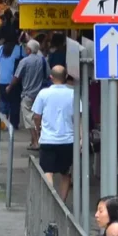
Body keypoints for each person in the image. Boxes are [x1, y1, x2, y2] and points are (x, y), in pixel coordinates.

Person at [33, 65, 76, 200]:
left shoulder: (43, 94)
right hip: (67, 140)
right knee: (65, 174)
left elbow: (36, 115)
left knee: (47, 172)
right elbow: (79, 116)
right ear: (66, 77)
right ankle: (61, 203)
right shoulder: (73, 93)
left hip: (47, 139)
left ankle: (50, 201)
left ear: (51, 77)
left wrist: (38, 129)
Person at [12, 40, 49, 150]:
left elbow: (17, 76)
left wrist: (9, 87)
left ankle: (36, 141)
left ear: (29, 49)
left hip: (28, 94)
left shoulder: (24, 61)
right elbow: (48, 74)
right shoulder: (43, 60)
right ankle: (34, 141)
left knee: (29, 119)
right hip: (40, 94)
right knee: (38, 118)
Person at [0, 36, 24, 126]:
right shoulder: (20, 49)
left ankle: (2, 124)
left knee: (3, 102)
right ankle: (14, 124)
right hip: (15, 80)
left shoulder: (0, 48)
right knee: (15, 103)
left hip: (2, 80)